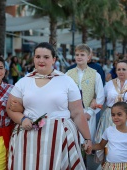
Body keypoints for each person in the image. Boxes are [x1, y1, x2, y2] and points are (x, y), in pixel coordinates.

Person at [6, 42, 92, 170]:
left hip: (59, 136)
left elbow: (77, 113)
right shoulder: (23, 82)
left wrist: (87, 138)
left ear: (54, 60)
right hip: (29, 136)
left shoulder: (66, 81)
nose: (41, 60)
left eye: (46, 57)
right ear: (34, 58)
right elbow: (10, 108)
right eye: (38, 57)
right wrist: (22, 119)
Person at [66, 44, 105, 143]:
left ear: (88, 57)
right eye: (77, 54)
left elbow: (100, 96)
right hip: (71, 114)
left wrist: (90, 113)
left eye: (82, 55)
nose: (79, 57)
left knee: (86, 141)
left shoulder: (95, 75)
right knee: (72, 141)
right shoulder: (68, 74)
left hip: (87, 113)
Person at [95, 60, 127, 163]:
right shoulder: (109, 84)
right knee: (106, 144)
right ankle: (107, 165)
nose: (121, 71)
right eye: (119, 69)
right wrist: (94, 103)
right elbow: (100, 99)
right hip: (110, 116)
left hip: (126, 118)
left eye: (124, 69)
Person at [92, 102, 127, 170]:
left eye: (119, 115)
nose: (115, 117)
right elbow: (100, 145)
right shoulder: (108, 131)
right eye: (113, 115)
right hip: (110, 166)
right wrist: (90, 147)